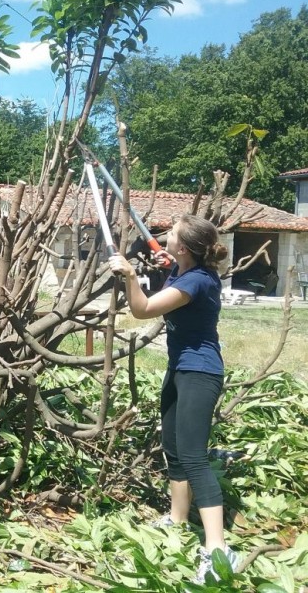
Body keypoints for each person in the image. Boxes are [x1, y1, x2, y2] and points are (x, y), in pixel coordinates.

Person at [108, 213, 239, 584]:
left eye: (171, 235)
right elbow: (175, 270)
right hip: (180, 369)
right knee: (174, 447)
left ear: (183, 247)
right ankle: (178, 519)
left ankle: (218, 549)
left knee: (195, 457)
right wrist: (173, 264)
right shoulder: (187, 270)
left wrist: (131, 276)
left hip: (200, 372)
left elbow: (142, 310)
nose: (163, 237)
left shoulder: (194, 280)